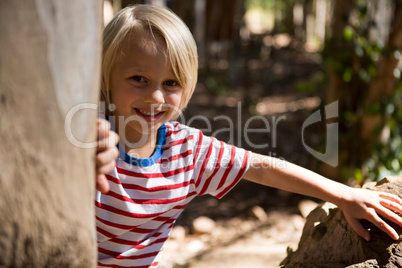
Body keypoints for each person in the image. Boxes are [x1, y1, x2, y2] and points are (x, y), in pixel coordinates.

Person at [94, 4, 402, 268]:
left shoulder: (187, 150)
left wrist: (343, 195)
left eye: (171, 83)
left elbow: (262, 168)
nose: (156, 97)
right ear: (105, 77)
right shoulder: (88, 138)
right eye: (139, 79)